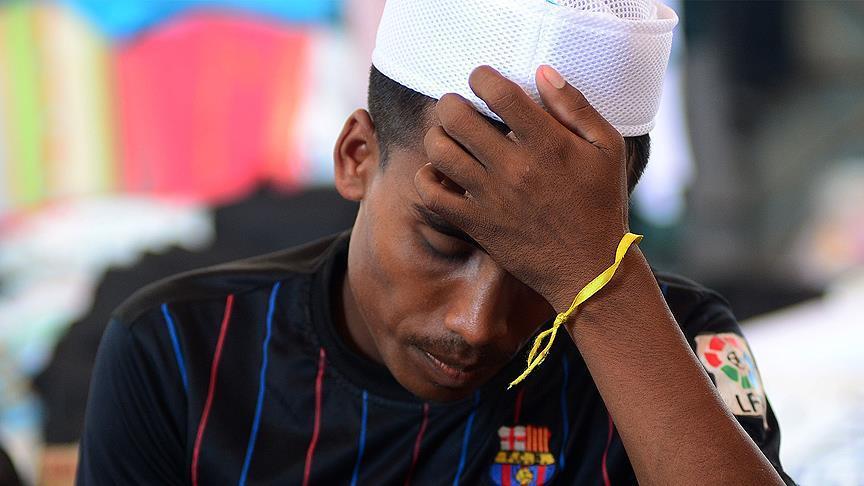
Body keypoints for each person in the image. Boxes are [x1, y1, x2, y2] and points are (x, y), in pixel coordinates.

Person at [78, 0, 794, 484]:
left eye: (538, 270)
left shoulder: (678, 346)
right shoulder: (180, 353)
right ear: (357, 156)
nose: (475, 324)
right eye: (446, 240)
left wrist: (596, 282)